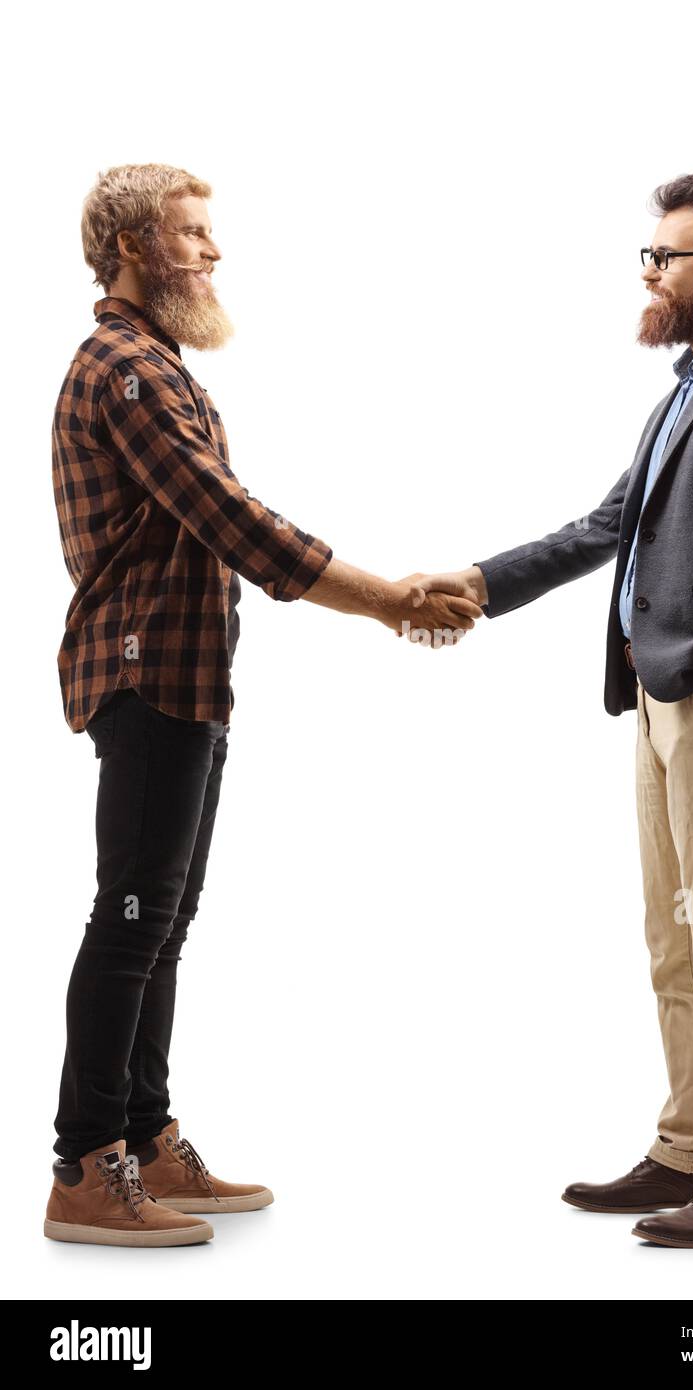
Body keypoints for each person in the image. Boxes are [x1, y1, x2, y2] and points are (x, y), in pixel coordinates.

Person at [46, 163, 482, 1249]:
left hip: (185, 682)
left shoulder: (160, 364)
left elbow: (214, 524)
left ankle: (143, 1139)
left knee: (161, 919)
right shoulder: (128, 370)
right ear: (137, 247)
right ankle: (83, 1165)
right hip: (146, 679)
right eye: (192, 234)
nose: (213, 250)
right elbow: (226, 516)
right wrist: (383, 598)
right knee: (131, 917)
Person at [408, 169, 693, 1249]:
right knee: (672, 938)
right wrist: (476, 582)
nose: (647, 272)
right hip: (655, 700)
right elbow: (606, 524)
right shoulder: (685, 388)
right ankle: (689, 1146)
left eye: (663, 256)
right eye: (646, 255)